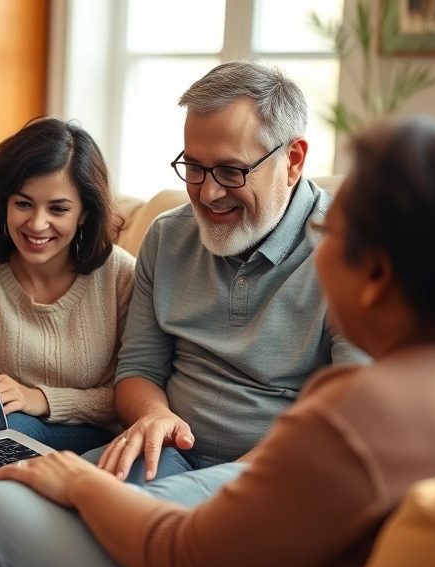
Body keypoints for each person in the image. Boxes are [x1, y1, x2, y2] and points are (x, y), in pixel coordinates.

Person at [0, 116, 435, 567]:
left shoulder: (354, 416)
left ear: (377, 275)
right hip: (206, 485)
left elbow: (182, 552)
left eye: (326, 230)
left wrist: (78, 481)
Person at [81, 61, 367, 496]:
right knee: (12, 506)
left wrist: (216, 488)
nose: (208, 193)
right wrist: (153, 415)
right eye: (194, 167)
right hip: (165, 455)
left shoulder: (350, 255)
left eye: (232, 171)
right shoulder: (167, 235)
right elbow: (138, 370)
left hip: (275, 472)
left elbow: (347, 413)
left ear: (292, 161)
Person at [0, 117, 135, 453]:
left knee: (11, 430)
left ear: (84, 213)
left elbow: (132, 394)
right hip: (0, 430)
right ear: (4, 202)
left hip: (92, 438)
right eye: (23, 204)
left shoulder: (121, 275)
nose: (37, 224)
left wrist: (40, 399)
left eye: (58, 209)